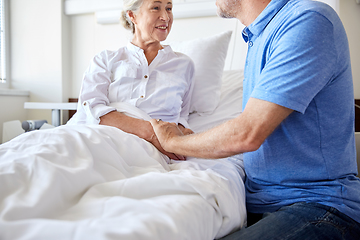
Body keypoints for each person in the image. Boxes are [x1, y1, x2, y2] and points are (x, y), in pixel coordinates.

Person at [150, 0, 360, 239]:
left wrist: (172, 142)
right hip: (262, 206)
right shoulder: (259, 34)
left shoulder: (307, 19)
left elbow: (247, 134)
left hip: (320, 206)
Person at [68, 0, 195, 161]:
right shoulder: (105, 60)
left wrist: (182, 139)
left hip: (154, 153)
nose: (165, 17)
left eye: (169, 8)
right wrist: (152, 134)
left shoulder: (184, 65)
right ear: (132, 15)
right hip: (102, 138)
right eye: (156, 8)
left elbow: (182, 117)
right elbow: (91, 110)